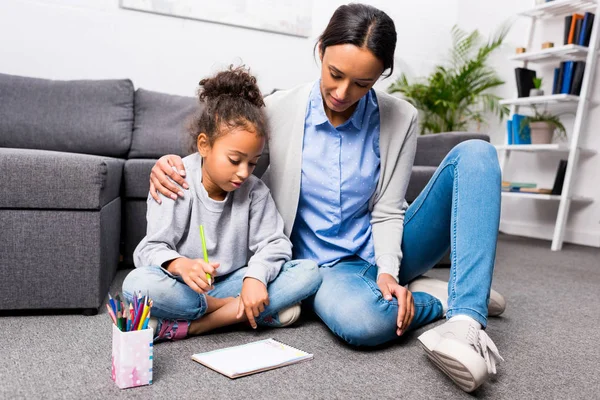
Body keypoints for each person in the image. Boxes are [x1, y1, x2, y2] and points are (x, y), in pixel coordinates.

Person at [148, 4, 505, 393]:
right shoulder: (279, 109)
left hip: (387, 245)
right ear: (321, 50)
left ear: (381, 76)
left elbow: (388, 210)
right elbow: (228, 153)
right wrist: (171, 163)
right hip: (325, 268)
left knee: (476, 154)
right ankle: (442, 293)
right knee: (365, 323)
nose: (342, 93)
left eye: (362, 84)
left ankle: (465, 320)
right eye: (335, 74)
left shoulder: (401, 117)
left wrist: (387, 270)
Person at [122, 66, 321, 342]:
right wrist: (180, 264)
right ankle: (239, 313)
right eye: (234, 160)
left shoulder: (255, 192)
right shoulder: (175, 180)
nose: (244, 172)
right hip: (186, 289)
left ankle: (196, 325)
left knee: (308, 273)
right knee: (136, 285)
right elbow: (150, 249)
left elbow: (275, 244)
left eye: (252, 162)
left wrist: (256, 278)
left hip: (233, 284)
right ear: (204, 145)